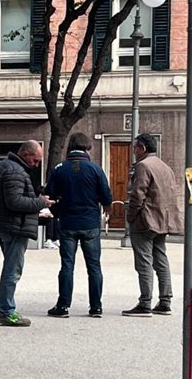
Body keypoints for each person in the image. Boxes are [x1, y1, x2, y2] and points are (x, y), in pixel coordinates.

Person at [45, 132, 113, 318]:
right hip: (90, 223)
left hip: (67, 223)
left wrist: (58, 213)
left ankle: (63, 305)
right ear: (87, 148)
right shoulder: (96, 169)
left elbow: (50, 196)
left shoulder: (59, 169)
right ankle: (96, 307)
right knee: (94, 267)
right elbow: (106, 196)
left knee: (67, 265)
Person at [0, 140, 55, 327]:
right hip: (14, 227)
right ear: (25, 154)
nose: (36, 165)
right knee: (13, 270)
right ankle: (5, 310)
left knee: (10, 267)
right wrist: (41, 202)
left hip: (6, 225)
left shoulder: (6, 166)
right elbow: (15, 202)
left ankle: (1, 308)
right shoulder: (15, 171)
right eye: (35, 160)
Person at [122, 133, 181, 317]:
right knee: (161, 260)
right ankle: (165, 301)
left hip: (145, 221)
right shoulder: (165, 167)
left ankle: (145, 302)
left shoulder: (143, 166)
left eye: (135, 148)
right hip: (163, 220)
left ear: (143, 148)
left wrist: (131, 216)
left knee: (144, 262)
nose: (134, 151)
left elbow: (137, 194)